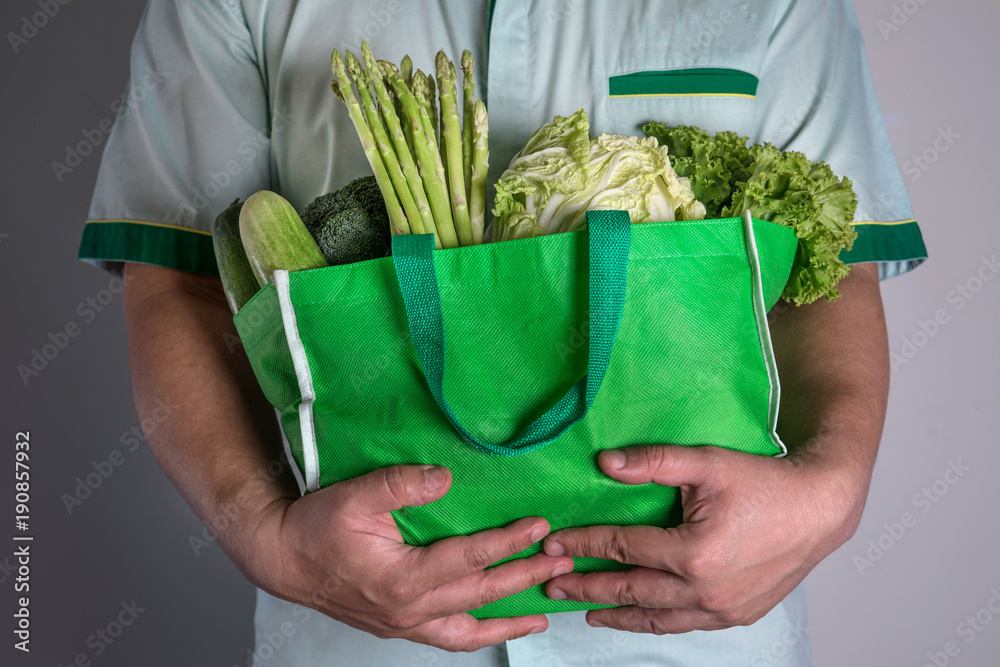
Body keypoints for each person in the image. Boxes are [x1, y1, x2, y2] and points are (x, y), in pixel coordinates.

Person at [79, 0, 927, 664]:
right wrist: (266, 536)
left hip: (692, 636)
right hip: (366, 640)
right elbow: (183, 285)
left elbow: (827, 268)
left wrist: (832, 491)